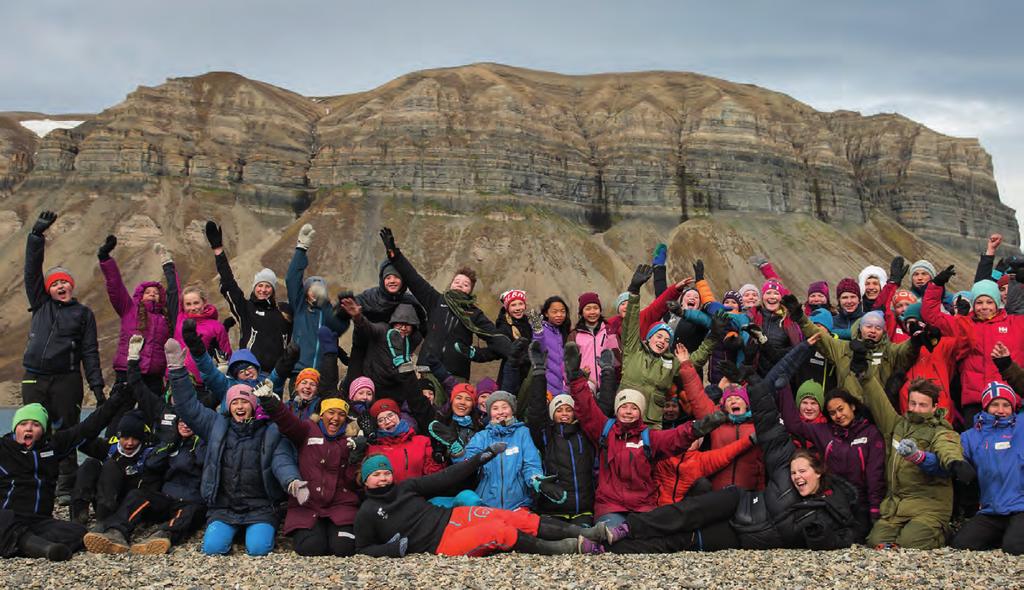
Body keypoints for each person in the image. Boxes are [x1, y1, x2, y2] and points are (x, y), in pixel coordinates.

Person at [565, 341, 729, 526]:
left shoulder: (649, 437)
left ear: (640, 413)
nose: (628, 411)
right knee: (613, 537)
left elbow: (675, 437)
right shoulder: (605, 430)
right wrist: (576, 380)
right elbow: (587, 409)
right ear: (617, 410)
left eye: (633, 408)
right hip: (610, 506)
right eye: (623, 407)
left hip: (643, 506)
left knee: (644, 539)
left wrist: (697, 428)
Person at [165, 339, 303, 557]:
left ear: (253, 405)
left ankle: (252, 532)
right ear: (228, 406)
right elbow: (188, 407)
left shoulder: (270, 430)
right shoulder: (215, 425)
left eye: (245, 402)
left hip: (261, 507)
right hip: (224, 508)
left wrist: (292, 481)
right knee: (212, 548)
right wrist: (177, 371)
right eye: (235, 402)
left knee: (258, 550)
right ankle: (231, 532)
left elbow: (281, 460)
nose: (240, 406)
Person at [354, 450, 609, 557]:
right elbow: (363, 549)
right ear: (366, 481)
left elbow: (445, 477)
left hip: (451, 518)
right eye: (376, 475)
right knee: (500, 532)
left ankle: (584, 532)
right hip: (439, 544)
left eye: (385, 472)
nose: (383, 478)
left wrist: (479, 459)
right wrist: (392, 550)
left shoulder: (405, 487)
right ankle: (557, 548)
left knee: (515, 517)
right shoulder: (367, 512)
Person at [22, 210, 106, 504]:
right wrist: (36, 236)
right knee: (33, 426)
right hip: (34, 375)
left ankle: (65, 484)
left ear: (72, 286)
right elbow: (32, 270)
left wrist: (96, 385)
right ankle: (33, 476)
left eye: (64, 283)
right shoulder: (40, 304)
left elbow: (90, 351)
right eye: (55, 283)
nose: (60, 286)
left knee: (67, 430)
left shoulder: (83, 314)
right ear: (48, 290)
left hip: (67, 378)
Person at [0, 386, 128, 561]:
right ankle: (42, 548)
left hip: (38, 521)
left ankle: (25, 544)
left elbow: (88, 428)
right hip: (9, 517)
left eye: (35, 424)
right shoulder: (3, 448)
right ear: (16, 429)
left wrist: (116, 400)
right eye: (23, 424)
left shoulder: (53, 447)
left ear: (43, 430)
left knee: (78, 532)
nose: (29, 428)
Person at [849, 366, 971, 549]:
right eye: (913, 403)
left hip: (929, 507)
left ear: (935, 407)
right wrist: (863, 372)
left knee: (909, 544)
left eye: (922, 405)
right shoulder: (897, 425)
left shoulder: (941, 431)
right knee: (876, 542)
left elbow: (947, 447)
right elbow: (878, 400)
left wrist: (955, 462)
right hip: (897, 507)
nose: (916, 409)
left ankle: (942, 532)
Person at [379, 227, 511, 387]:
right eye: (457, 282)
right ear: (451, 284)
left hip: (456, 375)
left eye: (465, 284)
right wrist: (394, 254)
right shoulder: (436, 300)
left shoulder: (474, 314)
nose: (460, 285)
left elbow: (496, 340)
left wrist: (475, 354)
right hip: (426, 370)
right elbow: (414, 279)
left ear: (470, 290)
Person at [256, 381, 364, 556]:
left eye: (341, 414)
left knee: (344, 548)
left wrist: (355, 458)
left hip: (340, 505)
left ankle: (335, 532)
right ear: (322, 415)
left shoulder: (350, 441)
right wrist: (271, 403)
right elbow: (288, 422)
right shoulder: (308, 430)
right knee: (310, 547)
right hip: (307, 505)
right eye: (331, 412)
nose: (335, 418)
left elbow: (353, 482)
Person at [82, 415, 207, 555]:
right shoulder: (171, 442)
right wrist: (171, 442)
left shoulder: (205, 443)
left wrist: (200, 441)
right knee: (137, 495)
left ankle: (162, 536)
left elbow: (206, 465)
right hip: (167, 497)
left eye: (190, 422)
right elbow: (152, 463)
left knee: (187, 512)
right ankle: (116, 533)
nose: (185, 425)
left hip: (192, 500)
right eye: (181, 422)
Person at [922, 264, 1024, 427]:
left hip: (1008, 400)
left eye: (989, 302)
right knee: (976, 448)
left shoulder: (1016, 324)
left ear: (997, 303)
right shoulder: (963, 323)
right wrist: (936, 285)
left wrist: (1021, 285)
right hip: (975, 402)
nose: (984, 307)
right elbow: (931, 315)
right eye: (979, 302)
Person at [204, 220, 291, 372]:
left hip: (275, 377)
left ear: (273, 290)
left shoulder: (283, 313)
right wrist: (218, 251)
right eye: (260, 285)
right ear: (255, 287)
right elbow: (229, 283)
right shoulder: (246, 308)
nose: (263, 290)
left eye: (268, 286)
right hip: (249, 372)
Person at [525, 342, 597, 525]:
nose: (564, 413)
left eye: (568, 409)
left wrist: (575, 377)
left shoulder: (585, 433)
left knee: (584, 540)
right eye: (559, 410)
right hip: (554, 509)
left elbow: (593, 410)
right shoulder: (546, 435)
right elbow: (535, 413)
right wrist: (540, 372)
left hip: (583, 508)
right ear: (552, 414)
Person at [952, 379, 1024, 554]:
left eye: (1006, 405)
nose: (1001, 410)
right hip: (991, 510)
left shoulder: (1021, 427)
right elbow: (948, 454)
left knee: (1014, 548)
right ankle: (1007, 534)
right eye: (995, 405)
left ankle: (1012, 535)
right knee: (961, 544)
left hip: (1020, 507)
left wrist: (1006, 366)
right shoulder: (971, 437)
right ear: (985, 407)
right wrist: (919, 456)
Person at [97, 234, 174, 395]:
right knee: (118, 415)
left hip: (153, 377)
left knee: (151, 418)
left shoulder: (165, 318)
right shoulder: (129, 309)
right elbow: (115, 286)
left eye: (156, 292)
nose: (152, 294)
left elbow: (175, 292)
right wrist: (105, 259)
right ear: (140, 295)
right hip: (126, 372)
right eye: (148, 292)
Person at [454, 391, 543, 510]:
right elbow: (467, 462)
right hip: (486, 504)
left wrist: (536, 479)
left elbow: (531, 463)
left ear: (512, 410)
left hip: (519, 505)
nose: (500, 412)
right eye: (495, 408)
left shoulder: (523, 433)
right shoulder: (482, 436)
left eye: (504, 407)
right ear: (490, 413)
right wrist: (459, 453)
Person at [619, 264, 680, 429]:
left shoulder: (671, 361)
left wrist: (713, 337)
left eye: (667, 340)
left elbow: (693, 363)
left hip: (652, 424)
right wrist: (634, 291)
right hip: (626, 418)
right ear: (649, 337)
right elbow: (631, 323)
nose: (662, 341)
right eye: (659, 336)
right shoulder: (634, 350)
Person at [286, 223, 350, 374]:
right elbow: (291, 279)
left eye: (319, 289)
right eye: (311, 289)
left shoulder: (328, 312)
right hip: (299, 371)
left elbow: (340, 327)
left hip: (324, 374)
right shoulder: (300, 306)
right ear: (306, 291)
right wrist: (301, 248)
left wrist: (324, 303)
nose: (314, 292)